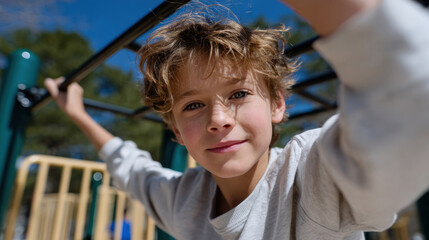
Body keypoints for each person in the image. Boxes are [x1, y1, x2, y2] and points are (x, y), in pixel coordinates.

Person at [45, 0, 429, 239]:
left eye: (239, 94)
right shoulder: (184, 201)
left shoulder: (312, 176)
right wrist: (79, 115)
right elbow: (131, 168)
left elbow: (411, 99)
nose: (218, 120)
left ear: (278, 104)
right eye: (192, 105)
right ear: (177, 131)